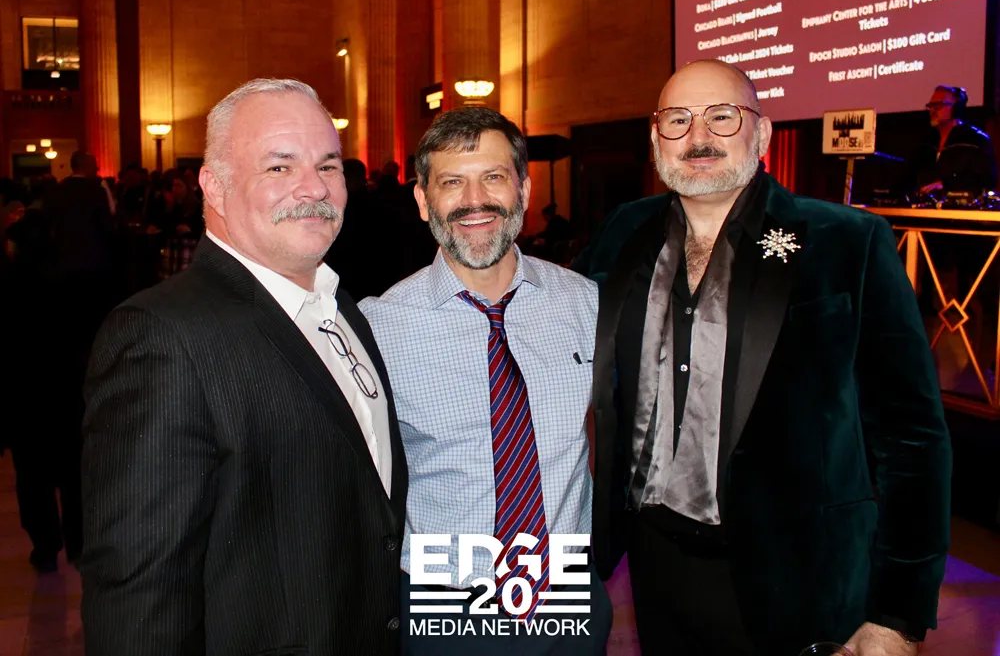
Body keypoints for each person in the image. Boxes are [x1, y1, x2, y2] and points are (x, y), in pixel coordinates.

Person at [580, 60, 951, 656]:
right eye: (678, 120)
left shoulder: (847, 243)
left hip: (803, 579)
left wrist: (899, 614)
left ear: (763, 132)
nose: (699, 136)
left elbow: (914, 440)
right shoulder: (624, 231)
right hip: (656, 566)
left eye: (722, 117)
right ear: (655, 138)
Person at [81, 79, 408, 656]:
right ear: (215, 185)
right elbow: (140, 597)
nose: (314, 187)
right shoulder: (162, 337)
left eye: (328, 165)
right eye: (279, 167)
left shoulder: (343, 307)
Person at [360, 107, 612, 655]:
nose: (475, 200)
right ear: (423, 200)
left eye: (493, 177)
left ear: (524, 188)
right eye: (452, 182)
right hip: (444, 605)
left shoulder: (585, 304)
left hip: (567, 596)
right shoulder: (377, 327)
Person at [917, 85, 997, 195]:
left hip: (959, 204)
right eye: (931, 106)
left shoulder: (976, 140)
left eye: (939, 105)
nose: (932, 110)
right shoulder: (927, 143)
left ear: (956, 109)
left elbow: (986, 180)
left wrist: (947, 185)